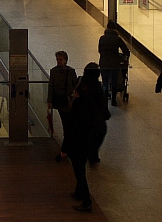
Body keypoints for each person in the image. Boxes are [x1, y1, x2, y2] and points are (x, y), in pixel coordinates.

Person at [63, 67, 105, 213]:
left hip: (78, 144)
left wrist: (64, 149)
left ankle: (86, 201)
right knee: (80, 169)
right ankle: (78, 193)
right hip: (88, 140)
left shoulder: (78, 107)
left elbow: (71, 130)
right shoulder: (92, 102)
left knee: (79, 172)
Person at [47, 51, 77, 156]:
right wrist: (49, 100)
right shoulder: (54, 71)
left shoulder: (70, 71)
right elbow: (51, 86)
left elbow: (75, 86)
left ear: (65, 60)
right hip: (62, 102)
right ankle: (67, 146)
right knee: (67, 124)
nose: (59, 61)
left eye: (60, 59)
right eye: (57, 59)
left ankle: (67, 146)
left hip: (68, 101)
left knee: (68, 124)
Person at [97, 22, 130, 107]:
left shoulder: (102, 38)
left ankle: (105, 100)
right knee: (114, 81)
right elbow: (126, 51)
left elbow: (99, 50)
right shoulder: (117, 39)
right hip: (114, 63)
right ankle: (113, 100)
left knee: (105, 82)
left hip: (104, 63)